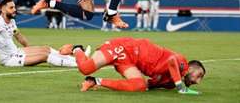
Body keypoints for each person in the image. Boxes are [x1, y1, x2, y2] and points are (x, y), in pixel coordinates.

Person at [60, 37, 205, 94]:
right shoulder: (182, 63)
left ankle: (94, 81)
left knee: (140, 86)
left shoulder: (170, 83)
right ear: (191, 68)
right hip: (124, 47)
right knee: (85, 68)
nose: (197, 81)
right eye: (199, 75)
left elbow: (150, 85)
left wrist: (150, 86)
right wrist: (181, 88)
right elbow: (172, 61)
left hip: (129, 62)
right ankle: (76, 49)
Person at [0, 0, 86, 67]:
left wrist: (30, 50)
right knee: (44, 56)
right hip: (9, 59)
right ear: (3, 9)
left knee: (45, 48)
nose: (14, 10)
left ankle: (78, 59)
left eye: (14, 7)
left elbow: (19, 36)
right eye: (11, 8)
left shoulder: (12, 22)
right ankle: (77, 64)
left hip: (17, 52)